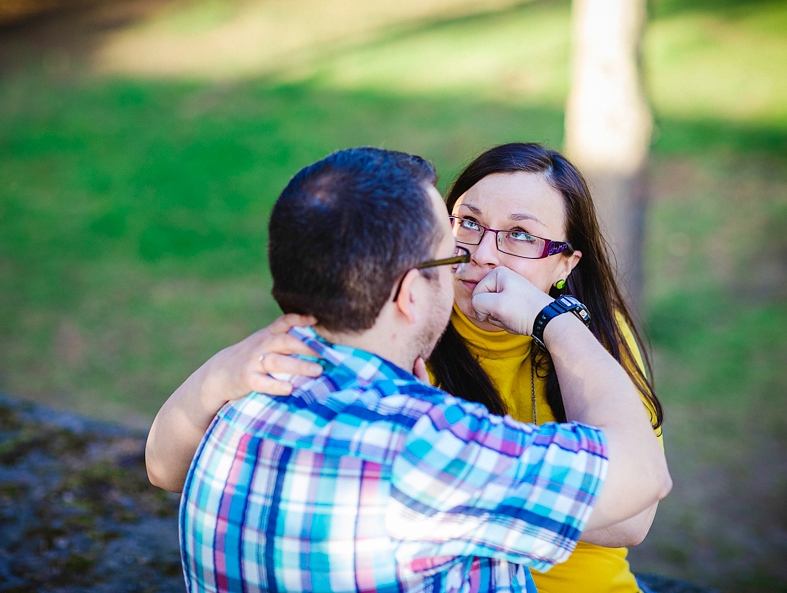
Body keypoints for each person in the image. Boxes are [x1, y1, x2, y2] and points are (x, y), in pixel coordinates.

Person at [146, 143, 667, 593]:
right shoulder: (434, 447)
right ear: (408, 292)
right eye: (461, 229)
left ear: (566, 264)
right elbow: (640, 478)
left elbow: (632, 522)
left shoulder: (245, 409)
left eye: (520, 235)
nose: (477, 256)